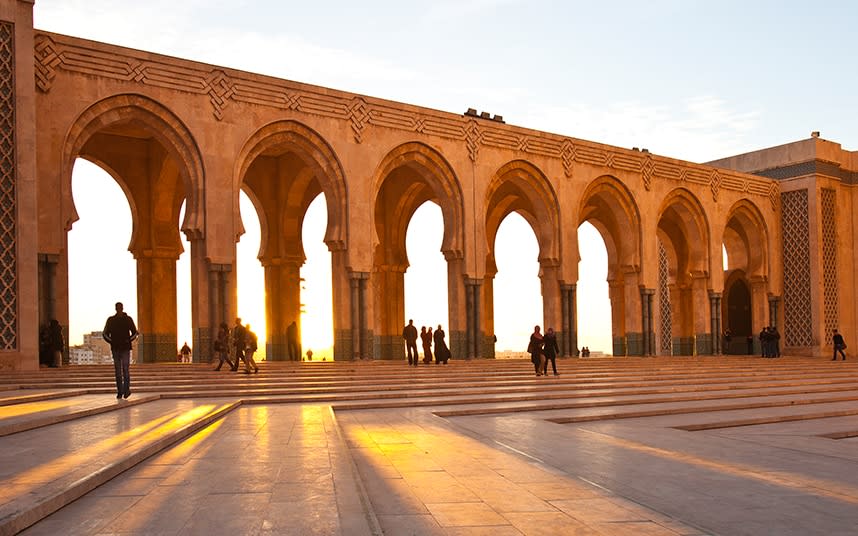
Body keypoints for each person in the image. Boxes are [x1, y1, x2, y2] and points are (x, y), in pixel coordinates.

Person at [103, 302, 138, 399]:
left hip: (125, 348)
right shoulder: (111, 320)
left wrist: (127, 340)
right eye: (117, 307)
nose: (119, 309)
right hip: (115, 348)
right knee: (118, 371)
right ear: (115, 308)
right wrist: (112, 342)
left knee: (125, 370)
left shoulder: (128, 319)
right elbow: (105, 334)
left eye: (120, 307)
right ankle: (120, 391)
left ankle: (126, 390)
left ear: (122, 308)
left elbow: (135, 332)